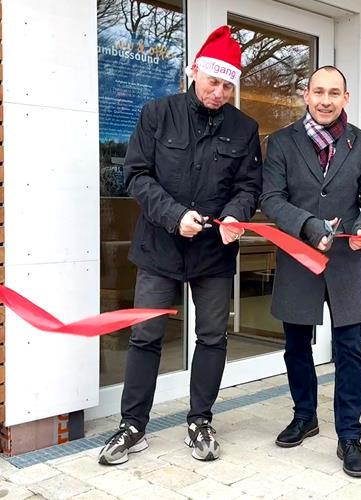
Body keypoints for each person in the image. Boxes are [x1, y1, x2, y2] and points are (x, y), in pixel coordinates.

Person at [98, 26, 261, 466]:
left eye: (229, 85)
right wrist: (174, 216)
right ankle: (132, 425)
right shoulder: (156, 113)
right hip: (159, 248)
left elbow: (250, 186)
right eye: (213, 81)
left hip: (214, 253)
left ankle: (200, 421)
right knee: (146, 336)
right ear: (194, 71)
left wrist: (235, 214)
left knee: (211, 338)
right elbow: (136, 175)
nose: (220, 92)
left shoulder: (245, 127)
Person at [260, 66, 361, 477]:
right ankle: (305, 416)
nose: (326, 100)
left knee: (349, 349)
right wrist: (308, 225)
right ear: (306, 95)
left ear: (345, 98)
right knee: (296, 346)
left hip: (347, 262)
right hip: (298, 258)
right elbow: (272, 199)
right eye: (319, 92)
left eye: (334, 93)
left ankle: (350, 434)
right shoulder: (280, 143)